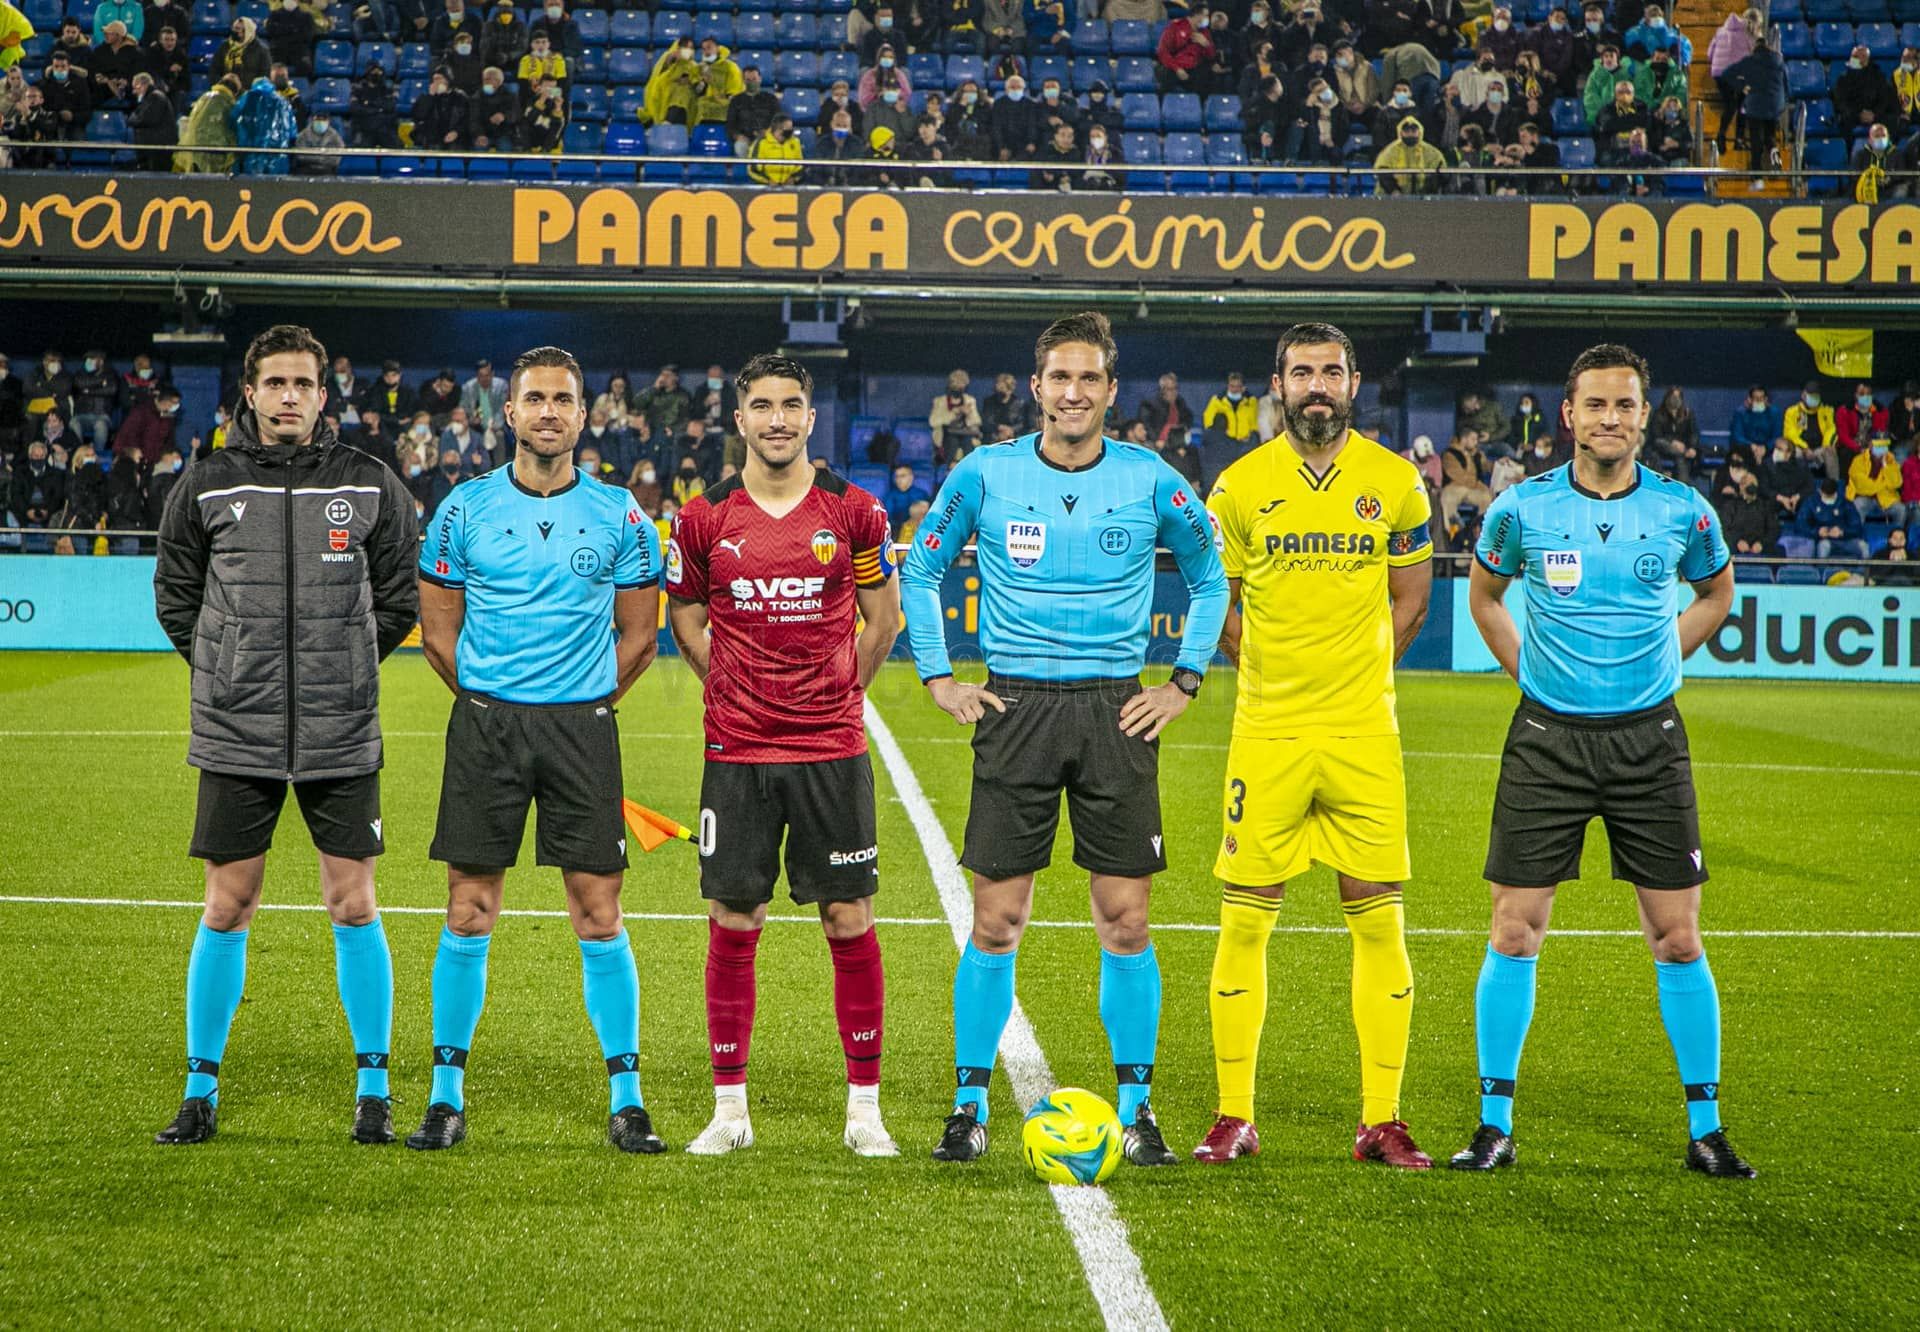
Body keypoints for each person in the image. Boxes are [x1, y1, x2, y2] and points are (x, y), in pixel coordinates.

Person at [902, 311, 1230, 1167]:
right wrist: (938, 675)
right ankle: (968, 1105)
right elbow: (921, 565)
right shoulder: (986, 472)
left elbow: (1211, 577)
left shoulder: (1151, 478)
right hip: (1014, 708)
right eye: (1060, 377)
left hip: (1117, 711)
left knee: (1126, 921)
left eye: (1089, 378)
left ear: (1111, 391)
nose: (1074, 392)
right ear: (1037, 386)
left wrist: (1183, 681)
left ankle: (1138, 1108)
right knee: (996, 920)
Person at [1456, 342, 1749, 1180]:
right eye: (1596, 404)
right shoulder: (1522, 507)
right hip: (1546, 741)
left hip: (1648, 743)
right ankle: (1493, 1126)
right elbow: (1484, 595)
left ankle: (1706, 1130)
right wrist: (1527, 671)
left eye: (1624, 405)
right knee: (1515, 929)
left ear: (1644, 416)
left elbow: (1717, 593)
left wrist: (1666, 656)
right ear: (1569, 415)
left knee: (1678, 938)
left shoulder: (1685, 510)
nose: (1610, 418)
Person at [150, 325, 420, 1147]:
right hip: (239, 731)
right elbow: (177, 596)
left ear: (323, 395)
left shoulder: (368, 480)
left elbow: (398, 598)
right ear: (250, 392)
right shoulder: (207, 482)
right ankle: (200, 1090)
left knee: (353, 902)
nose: (290, 396)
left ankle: (373, 1090)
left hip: (341, 729)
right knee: (228, 904)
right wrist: (229, 669)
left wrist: (343, 662)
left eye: (304, 383)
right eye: (276, 383)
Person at [409, 346, 664, 1154]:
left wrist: (582, 704)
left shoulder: (621, 514)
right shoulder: (463, 509)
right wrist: (493, 699)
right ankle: (445, 1097)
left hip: (581, 730)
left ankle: (627, 1099)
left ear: (584, 416)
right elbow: (438, 634)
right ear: (509, 412)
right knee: (469, 907)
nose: (549, 411)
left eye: (563, 399)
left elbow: (640, 637)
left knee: (598, 910)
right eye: (535, 399)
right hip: (486, 727)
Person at [1192, 322, 1435, 1169]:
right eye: (1301, 373)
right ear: (1279, 385)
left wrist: (1354, 678)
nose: (1317, 386)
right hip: (1269, 732)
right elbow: (1213, 602)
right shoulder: (1239, 486)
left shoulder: (1397, 482)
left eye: (1331, 371)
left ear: (1354, 383)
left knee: (1379, 920)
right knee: (1244, 921)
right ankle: (1233, 1115)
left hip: (1365, 733)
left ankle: (1382, 1119)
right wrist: (1268, 670)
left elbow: (1412, 600)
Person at [662, 354, 902, 1158]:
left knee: (848, 917)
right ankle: (729, 1112)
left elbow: (883, 620)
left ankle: (864, 1112)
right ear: (739, 420)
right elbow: (687, 619)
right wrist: (729, 685)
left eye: (791, 405)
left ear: (810, 418)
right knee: (735, 918)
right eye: (761, 406)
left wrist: (839, 694)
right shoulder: (703, 520)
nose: (776, 420)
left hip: (830, 748)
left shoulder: (856, 512)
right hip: (737, 751)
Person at [1706, 7, 1759, 155]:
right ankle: (1738, 139)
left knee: (1731, 104)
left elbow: (1709, 53)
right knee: (1744, 102)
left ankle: (1722, 134)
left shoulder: (1721, 30)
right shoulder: (1749, 34)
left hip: (1718, 73)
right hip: (1736, 74)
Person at [1796, 475, 1868, 560]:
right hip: (1824, 540)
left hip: (1846, 539)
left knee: (1864, 546)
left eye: (1831, 496)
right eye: (1826, 496)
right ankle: (1822, 569)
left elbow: (1857, 526)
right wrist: (1817, 531)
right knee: (1823, 547)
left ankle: (1866, 569)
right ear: (1820, 491)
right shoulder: (1811, 502)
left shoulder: (1845, 503)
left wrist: (1842, 532)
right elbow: (1800, 524)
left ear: (1835, 492)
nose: (1828, 498)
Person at [1374, 115, 1446, 194]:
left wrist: (1426, 192)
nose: (1410, 134)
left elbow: (1439, 171)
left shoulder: (1431, 152)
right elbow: (1383, 172)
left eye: (1413, 131)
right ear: (1401, 132)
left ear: (1419, 132)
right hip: (1392, 197)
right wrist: (1394, 191)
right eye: (1407, 131)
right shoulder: (1390, 151)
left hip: (1425, 196)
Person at [1847, 436, 1907, 527]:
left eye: (1884, 446)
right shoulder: (1858, 460)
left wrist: (1886, 466)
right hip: (1865, 497)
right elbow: (1863, 487)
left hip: (1886, 499)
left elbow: (1896, 483)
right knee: (1858, 504)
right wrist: (1884, 483)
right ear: (1870, 445)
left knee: (1901, 509)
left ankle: (1897, 534)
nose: (1881, 449)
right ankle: (1857, 533)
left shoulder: (1891, 461)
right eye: (1878, 445)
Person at [1783, 381, 1838, 480]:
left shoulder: (1827, 411)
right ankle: (1794, 485)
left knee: (1830, 450)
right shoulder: (1792, 412)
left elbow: (1832, 430)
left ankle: (1833, 485)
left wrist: (1826, 445)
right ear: (1803, 395)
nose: (1814, 399)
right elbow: (1789, 433)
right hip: (1801, 449)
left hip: (1820, 449)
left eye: (1816, 396)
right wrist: (1805, 448)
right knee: (1794, 452)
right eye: (1811, 396)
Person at [726, 62, 779, 157]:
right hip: (744, 139)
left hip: (766, 138)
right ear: (743, 81)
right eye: (748, 80)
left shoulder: (771, 99)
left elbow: (778, 120)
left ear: (760, 79)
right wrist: (738, 136)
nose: (751, 82)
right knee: (740, 147)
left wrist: (767, 132)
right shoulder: (736, 100)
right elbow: (730, 124)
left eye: (754, 79)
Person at [127, 71, 178, 169]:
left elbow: (145, 120)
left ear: (143, 85)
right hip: (152, 148)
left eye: (135, 88)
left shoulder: (156, 97)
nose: (134, 92)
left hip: (159, 149)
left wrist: (134, 118)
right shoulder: (148, 99)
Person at [1647, 385, 1698, 481]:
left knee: (1681, 456)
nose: (1675, 400)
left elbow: (1693, 433)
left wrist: (1692, 447)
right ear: (1667, 398)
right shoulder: (1658, 414)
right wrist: (1672, 442)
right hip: (1662, 447)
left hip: (1681, 448)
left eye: (1677, 397)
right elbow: (1656, 435)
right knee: (1660, 444)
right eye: (1673, 397)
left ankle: (1682, 486)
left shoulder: (1687, 414)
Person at [929, 370, 981, 460]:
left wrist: (969, 414)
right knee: (952, 441)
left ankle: (969, 466)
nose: (959, 389)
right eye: (956, 387)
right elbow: (933, 422)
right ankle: (950, 466)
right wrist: (954, 413)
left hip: (965, 433)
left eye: (962, 387)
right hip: (946, 433)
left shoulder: (970, 400)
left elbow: (977, 421)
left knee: (968, 442)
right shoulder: (940, 401)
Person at [747, 113, 804, 185]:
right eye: (788, 129)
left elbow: (800, 166)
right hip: (766, 187)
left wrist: (793, 178)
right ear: (778, 129)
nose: (791, 131)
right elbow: (753, 169)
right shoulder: (762, 142)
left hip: (789, 186)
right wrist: (768, 181)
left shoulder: (795, 142)